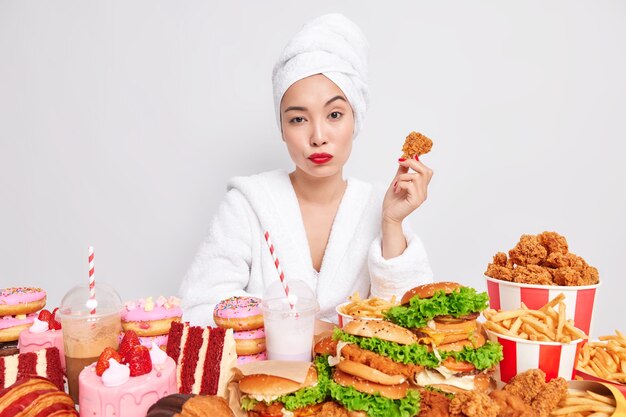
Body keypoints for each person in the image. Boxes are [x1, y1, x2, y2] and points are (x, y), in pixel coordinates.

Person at [180, 13, 433, 326]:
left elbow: (411, 321)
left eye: (335, 114)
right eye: (298, 119)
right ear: (282, 128)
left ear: (356, 120)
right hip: (265, 372)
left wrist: (392, 222)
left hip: (352, 376)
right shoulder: (247, 204)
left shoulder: (378, 204)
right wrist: (303, 326)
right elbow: (201, 307)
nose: (318, 136)